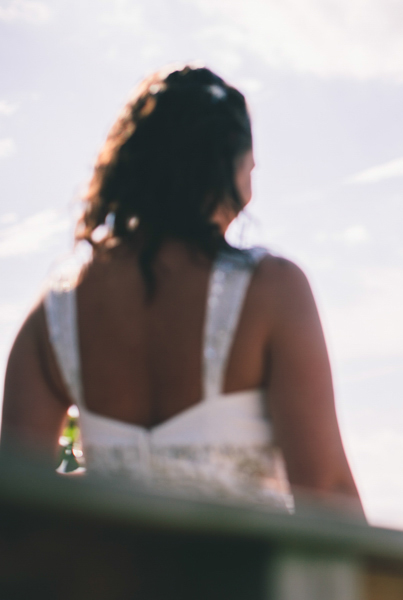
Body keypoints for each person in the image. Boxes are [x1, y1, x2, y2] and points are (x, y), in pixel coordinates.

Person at [0, 66, 363, 518]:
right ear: (231, 165)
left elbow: (16, 504)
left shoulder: (52, 313)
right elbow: (325, 491)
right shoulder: (272, 290)